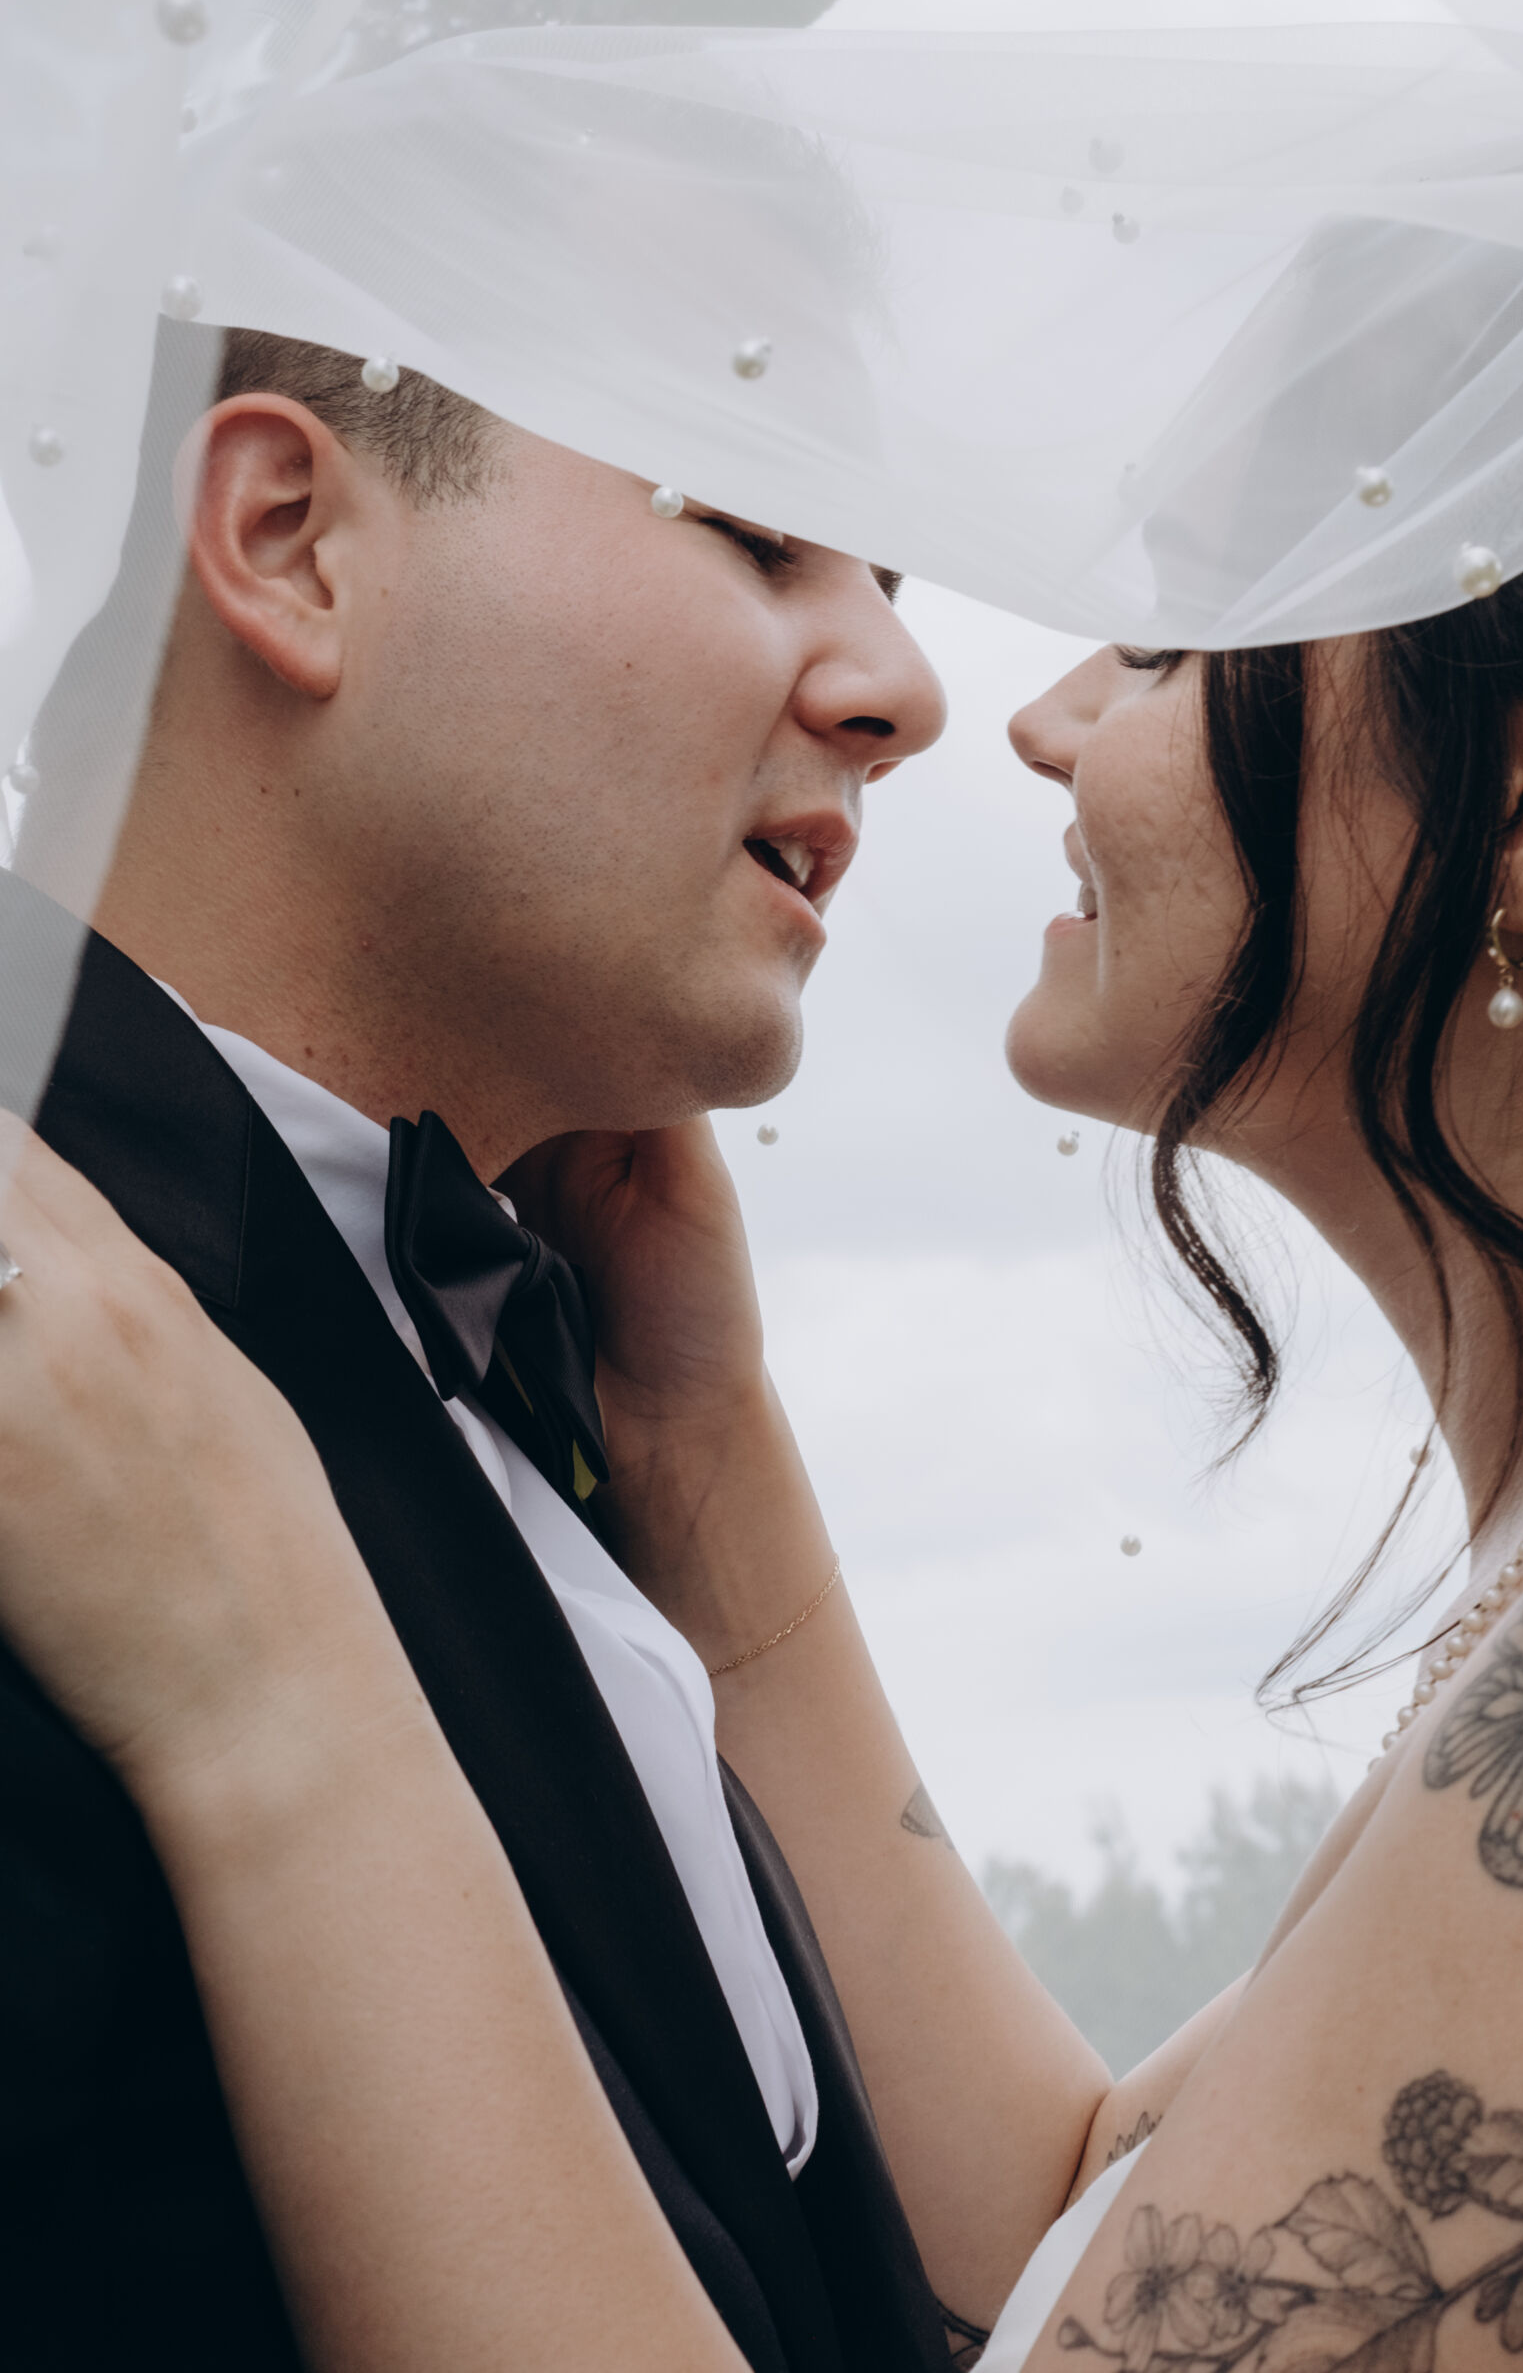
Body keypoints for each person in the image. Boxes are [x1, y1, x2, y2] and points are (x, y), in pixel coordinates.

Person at [5, 312, 1523, 2370]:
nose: (1007, 712)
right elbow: (1088, 2252)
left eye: (1172, 642)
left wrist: (278, 1702)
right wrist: (706, 1465)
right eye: (755, 529)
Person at [0, 320, 1086, 2373]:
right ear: (292, 539)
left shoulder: (561, 1383)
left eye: (887, 580)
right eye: (756, 526)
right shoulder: (54, 1376)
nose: (908, 689)